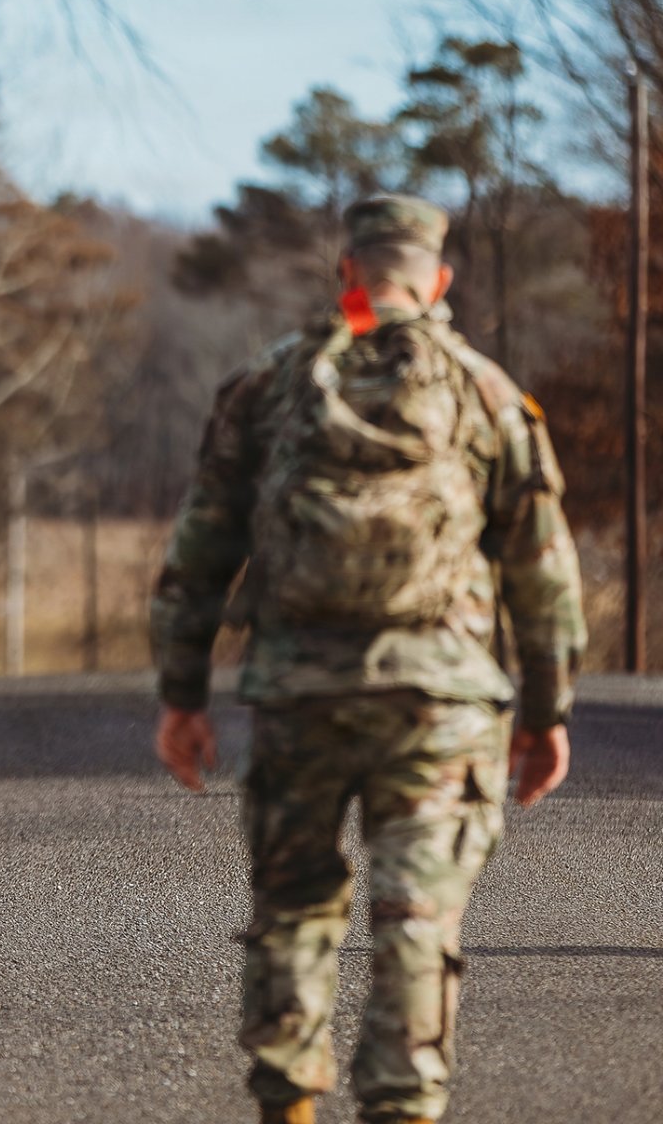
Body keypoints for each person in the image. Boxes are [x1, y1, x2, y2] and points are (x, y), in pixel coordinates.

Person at [149, 194, 586, 1124]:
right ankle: (402, 1107)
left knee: (297, 904)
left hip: (301, 695)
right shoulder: (485, 390)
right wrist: (547, 714)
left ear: (346, 270)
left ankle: (289, 1100)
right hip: (439, 702)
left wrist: (181, 695)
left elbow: (199, 550)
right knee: (417, 918)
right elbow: (542, 571)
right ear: (438, 279)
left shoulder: (269, 382)